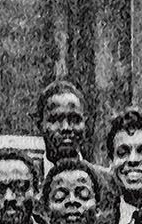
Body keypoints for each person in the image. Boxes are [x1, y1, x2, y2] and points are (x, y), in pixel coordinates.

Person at [35, 79, 116, 212]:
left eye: (75, 120)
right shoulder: (29, 183)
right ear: (40, 125)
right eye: (56, 120)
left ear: (85, 123)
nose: (66, 128)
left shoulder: (107, 183)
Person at [45, 158, 117, 224]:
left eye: (83, 194)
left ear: (98, 207)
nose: (72, 200)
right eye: (60, 195)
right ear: (46, 210)